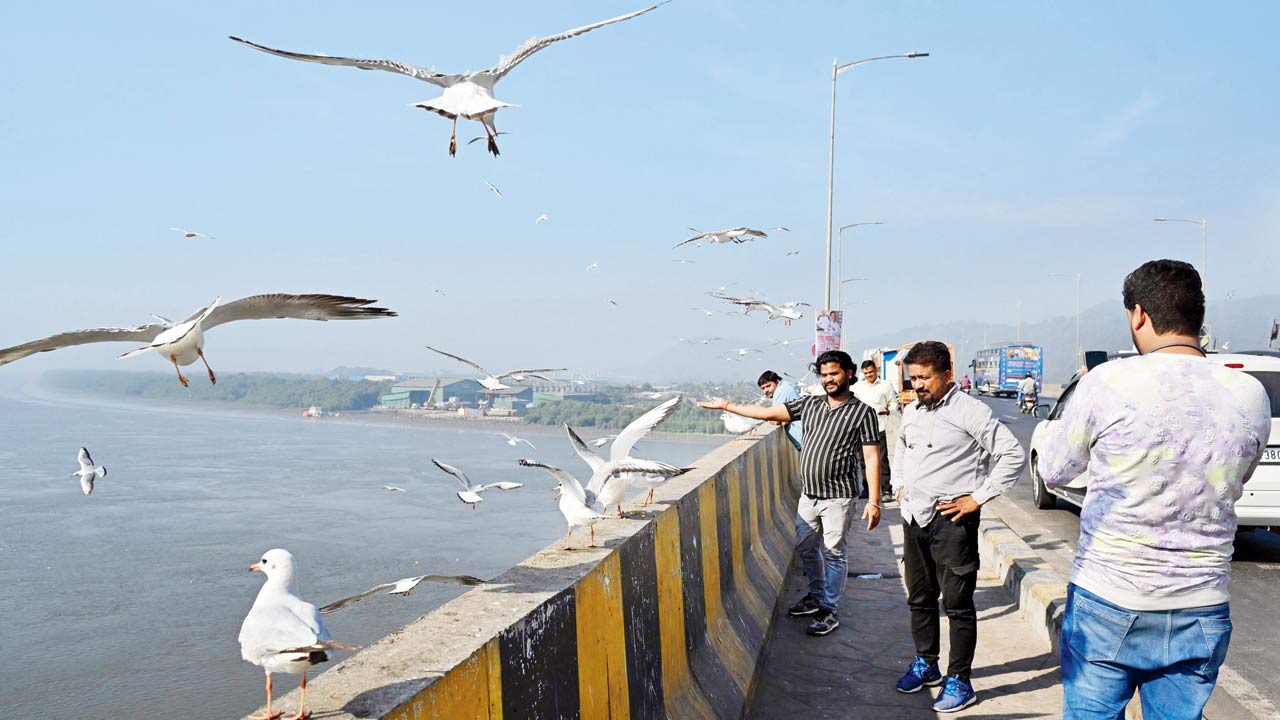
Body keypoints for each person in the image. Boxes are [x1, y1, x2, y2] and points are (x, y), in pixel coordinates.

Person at [1036, 260, 1271, 720]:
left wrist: (1053, 429)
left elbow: (1056, 471)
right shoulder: (1250, 393)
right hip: (1201, 604)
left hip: (1109, 596)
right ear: (1198, 317)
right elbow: (1235, 480)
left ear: (1138, 315)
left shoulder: (1109, 382)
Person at [701, 350, 881, 637]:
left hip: (839, 497)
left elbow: (871, 457)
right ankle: (816, 595)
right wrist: (727, 406)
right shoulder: (809, 404)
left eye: (834, 373)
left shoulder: (863, 413)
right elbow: (767, 412)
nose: (828, 379)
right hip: (809, 495)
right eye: (824, 375)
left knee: (834, 553)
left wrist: (874, 501)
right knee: (807, 546)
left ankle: (829, 610)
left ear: (849, 373)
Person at [892, 340, 1025, 712]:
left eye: (925, 377)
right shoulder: (913, 412)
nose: (918, 385)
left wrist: (977, 498)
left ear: (947, 375)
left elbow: (1012, 455)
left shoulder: (971, 411)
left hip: (952, 522)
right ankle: (926, 664)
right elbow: (901, 449)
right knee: (920, 598)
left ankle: (960, 680)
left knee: (958, 605)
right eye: (913, 377)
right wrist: (898, 485)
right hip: (913, 517)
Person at [852, 359, 897, 499]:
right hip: (861, 428)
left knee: (881, 459)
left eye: (871, 372)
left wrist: (888, 411)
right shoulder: (857, 387)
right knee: (863, 460)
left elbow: (893, 403)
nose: (868, 375)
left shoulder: (885, 385)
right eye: (866, 373)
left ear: (876, 370)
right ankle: (867, 489)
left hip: (879, 426)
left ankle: (887, 490)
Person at [758, 370, 802, 450]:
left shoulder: (781, 391)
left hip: (805, 442)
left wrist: (769, 417)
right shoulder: (787, 386)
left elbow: (775, 420)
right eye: (763, 388)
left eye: (768, 386)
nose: (765, 391)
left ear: (777, 382)